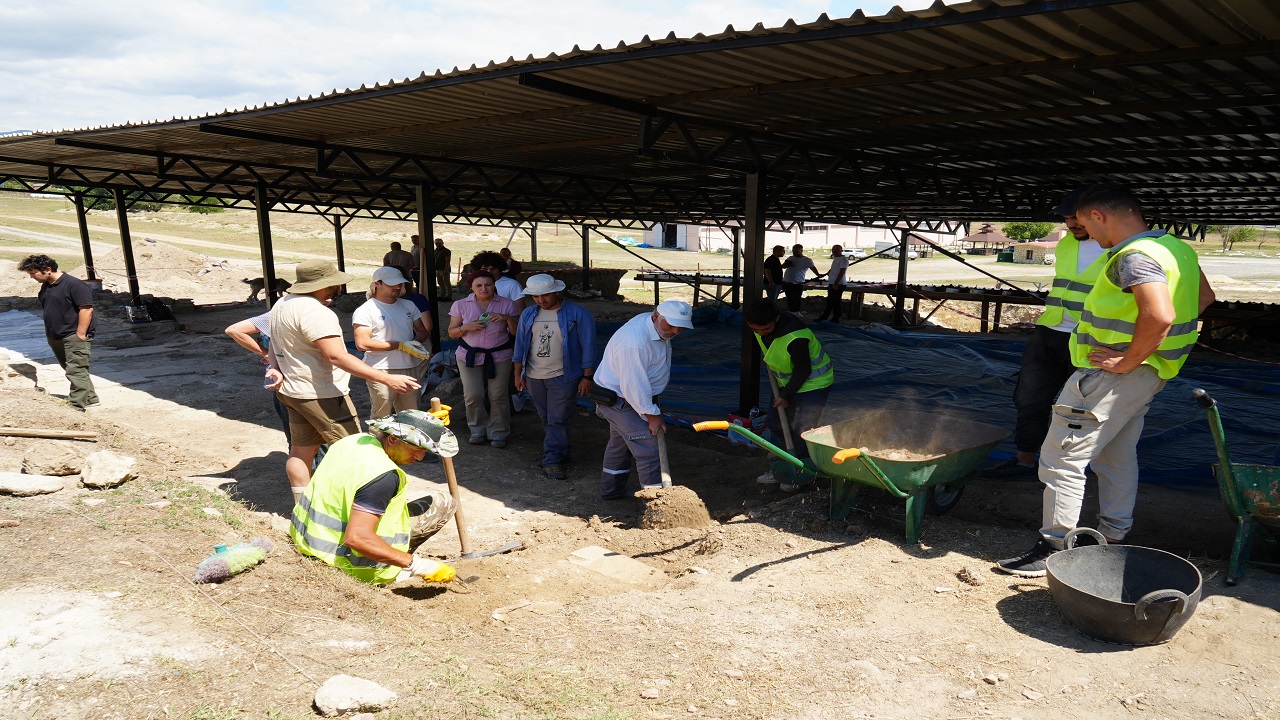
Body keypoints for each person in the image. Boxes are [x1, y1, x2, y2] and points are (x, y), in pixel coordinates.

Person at [996, 184, 1216, 577]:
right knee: (1115, 456)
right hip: (1150, 374)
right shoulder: (1174, 247)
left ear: (1099, 216)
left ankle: (1053, 546)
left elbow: (1160, 315)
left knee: (1062, 458)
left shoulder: (1132, 256)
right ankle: (1113, 536)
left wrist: (1126, 358)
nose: (1089, 236)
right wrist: (1148, 355)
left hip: (1110, 375)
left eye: (1084, 225)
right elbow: (1203, 296)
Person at [267, 260, 421, 503]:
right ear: (324, 286)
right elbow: (336, 355)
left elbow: (274, 342)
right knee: (356, 452)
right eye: (334, 285)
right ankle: (363, 510)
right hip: (322, 392)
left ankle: (303, 508)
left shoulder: (281, 304)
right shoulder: (316, 312)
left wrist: (275, 368)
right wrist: (385, 377)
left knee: (300, 451)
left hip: (294, 390)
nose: (337, 290)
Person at [983, 188, 1107, 480]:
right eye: (1066, 219)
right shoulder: (1066, 246)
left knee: (1080, 408)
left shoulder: (1118, 248)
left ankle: (1068, 472)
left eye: (1075, 218)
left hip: (1090, 338)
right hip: (1051, 331)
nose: (1070, 225)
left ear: (1097, 215)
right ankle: (1024, 461)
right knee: (1028, 398)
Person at [290, 409, 460, 585]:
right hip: (345, 564)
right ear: (392, 439)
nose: (420, 457)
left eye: (425, 450)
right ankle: (390, 566)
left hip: (307, 540)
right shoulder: (383, 476)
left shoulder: (351, 441)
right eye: (416, 448)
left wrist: (425, 423)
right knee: (443, 503)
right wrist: (416, 564)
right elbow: (357, 538)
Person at [593, 300, 693, 500]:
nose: (674, 331)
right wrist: (652, 414)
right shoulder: (634, 343)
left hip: (634, 396)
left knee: (620, 444)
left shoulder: (653, 324)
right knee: (648, 446)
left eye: (680, 327)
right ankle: (656, 504)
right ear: (656, 316)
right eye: (670, 325)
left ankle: (611, 492)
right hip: (620, 399)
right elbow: (633, 386)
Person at [512, 274, 598, 480]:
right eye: (536, 296)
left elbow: (588, 345)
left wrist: (587, 376)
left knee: (557, 418)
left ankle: (552, 460)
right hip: (533, 374)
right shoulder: (528, 314)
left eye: (545, 295)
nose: (541, 300)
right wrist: (517, 373)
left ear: (557, 292)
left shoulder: (578, 314)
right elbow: (520, 345)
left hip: (564, 375)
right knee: (546, 417)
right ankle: (561, 451)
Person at [744, 300, 834, 489]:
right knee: (776, 423)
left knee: (803, 429)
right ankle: (784, 464)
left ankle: (801, 469)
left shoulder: (795, 336)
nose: (761, 333)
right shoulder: (758, 327)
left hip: (814, 384)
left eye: (766, 329)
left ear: (776, 319)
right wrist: (784, 393)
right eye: (756, 330)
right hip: (785, 383)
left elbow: (803, 370)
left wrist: (785, 396)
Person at [448, 270, 520, 447]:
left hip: (499, 355)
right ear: (471, 287)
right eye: (478, 285)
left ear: (494, 285)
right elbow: (451, 333)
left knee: (498, 395)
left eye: (488, 284)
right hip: (468, 356)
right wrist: (466, 327)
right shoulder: (461, 304)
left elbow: (517, 333)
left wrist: (506, 318)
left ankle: (499, 432)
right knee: (473, 395)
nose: (484, 288)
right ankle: (477, 429)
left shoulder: (507, 304)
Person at [18, 254, 99, 411]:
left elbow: (87, 309)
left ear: (48, 269)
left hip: (73, 335)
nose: (31, 277)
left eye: (33, 273)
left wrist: (80, 334)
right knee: (71, 368)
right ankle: (90, 398)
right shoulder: (47, 285)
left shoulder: (74, 285)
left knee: (76, 370)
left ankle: (76, 406)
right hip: (55, 335)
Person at [352, 267, 430, 420]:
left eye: (400, 284)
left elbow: (422, 330)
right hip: (381, 368)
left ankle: (407, 444)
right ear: (377, 284)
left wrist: (415, 344)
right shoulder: (366, 310)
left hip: (409, 365)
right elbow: (362, 343)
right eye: (392, 284)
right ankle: (378, 443)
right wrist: (400, 345)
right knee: (382, 412)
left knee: (411, 413)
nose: (397, 287)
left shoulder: (408, 305)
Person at [224, 311, 293, 444]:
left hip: (278, 379)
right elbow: (234, 330)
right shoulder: (284, 312)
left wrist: (267, 355)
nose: (330, 299)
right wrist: (266, 354)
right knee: (300, 439)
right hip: (288, 381)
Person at [780, 244, 819, 315]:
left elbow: (813, 269)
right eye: (793, 251)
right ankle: (792, 312)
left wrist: (819, 275)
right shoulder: (790, 258)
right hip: (787, 282)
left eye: (796, 251)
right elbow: (783, 266)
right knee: (789, 298)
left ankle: (797, 312)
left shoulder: (807, 260)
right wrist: (786, 265)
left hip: (798, 283)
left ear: (801, 251)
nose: (794, 253)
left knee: (797, 298)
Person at [814, 245, 849, 322]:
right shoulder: (836, 259)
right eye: (833, 249)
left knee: (835, 302)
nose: (834, 251)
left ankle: (834, 318)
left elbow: (842, 271)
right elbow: (835, 269)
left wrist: (836, 282)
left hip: (838, 284)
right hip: (833, 283)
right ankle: (828, 317)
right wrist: (828, 273)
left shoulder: (843, 259)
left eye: (837, 249)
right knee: (831, 302)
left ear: (841, 250)